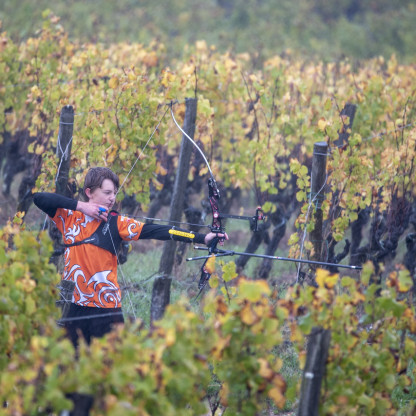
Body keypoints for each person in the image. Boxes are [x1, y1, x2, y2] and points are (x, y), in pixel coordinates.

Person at [33, 167, 227, 347]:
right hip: (74, 306)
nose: (112, 198)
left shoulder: (117, 223)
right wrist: (82, 207)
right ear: (89, 192)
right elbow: (39, 198)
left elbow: (159, 231)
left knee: (112, 364)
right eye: (107, 193)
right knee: (71, 363)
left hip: (106, 309)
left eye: (114, 193)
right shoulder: (69, 218)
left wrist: (202, 238)